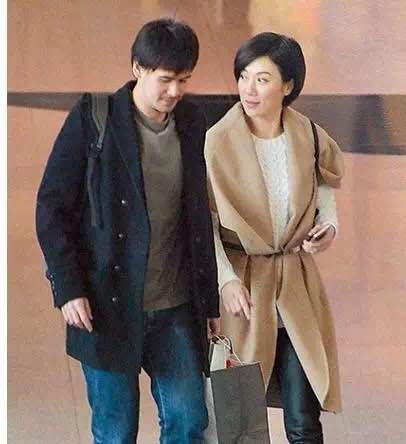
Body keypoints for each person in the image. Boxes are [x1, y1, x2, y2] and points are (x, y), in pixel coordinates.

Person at [36, 18, 220, 444]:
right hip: (106, 304)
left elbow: (200, 218)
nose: (175, 91)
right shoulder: (94, 118)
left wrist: (209, 300)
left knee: (188, 419)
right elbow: (52, 209)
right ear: (138, 68)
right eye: (165, 79)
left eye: (184, 80)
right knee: (116, 432)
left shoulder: (193, 123)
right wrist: (68, 289)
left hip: (175, 305)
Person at [204, 32, 344, 444]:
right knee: (241, 423)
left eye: (262, 79)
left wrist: (328, 227)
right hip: (244, 292)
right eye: (243, 76)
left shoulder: (309, 136)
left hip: (297, 287)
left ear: (288, 86)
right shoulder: (217, 141)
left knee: (304, 421)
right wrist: (225, 280)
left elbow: (324, 190)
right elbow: (205, 223)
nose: (249, 88)